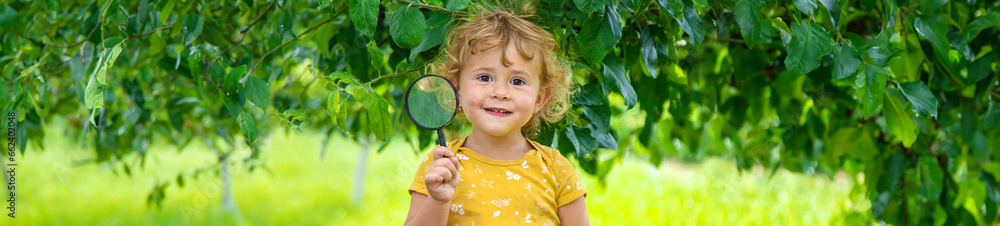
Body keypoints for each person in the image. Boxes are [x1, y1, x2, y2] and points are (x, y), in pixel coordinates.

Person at [404, 8, 589, 226]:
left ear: (540, 98)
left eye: (517, 81)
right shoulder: (441, 167)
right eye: (484, 77)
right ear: (457, 91)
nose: (500, 92)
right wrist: (439, 200)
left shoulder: (556, 169)